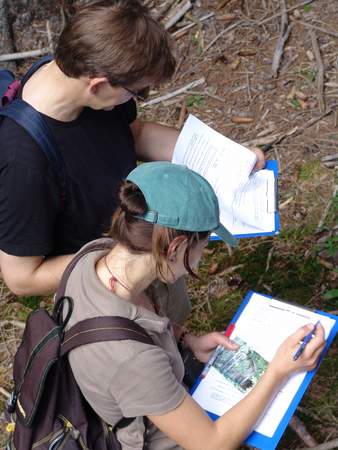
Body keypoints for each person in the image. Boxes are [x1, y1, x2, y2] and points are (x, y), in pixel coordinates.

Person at [0, 0, 264, 297]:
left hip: (137, 233)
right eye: (136, 92)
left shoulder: (77, 73)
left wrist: (227, 159)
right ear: (97, 85)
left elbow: (133, 134)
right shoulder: (24, 163)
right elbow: (23, 278)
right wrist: (123, 256)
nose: (135, 100)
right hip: (103, 272)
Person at [63, 161, 325, 450]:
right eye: (203, 248)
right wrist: (278, 371)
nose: (198, 262)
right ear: (176, 248)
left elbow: (138, 322)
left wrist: (185, 338)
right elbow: (212, 443)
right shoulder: (132, 358)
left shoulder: (94, 256)